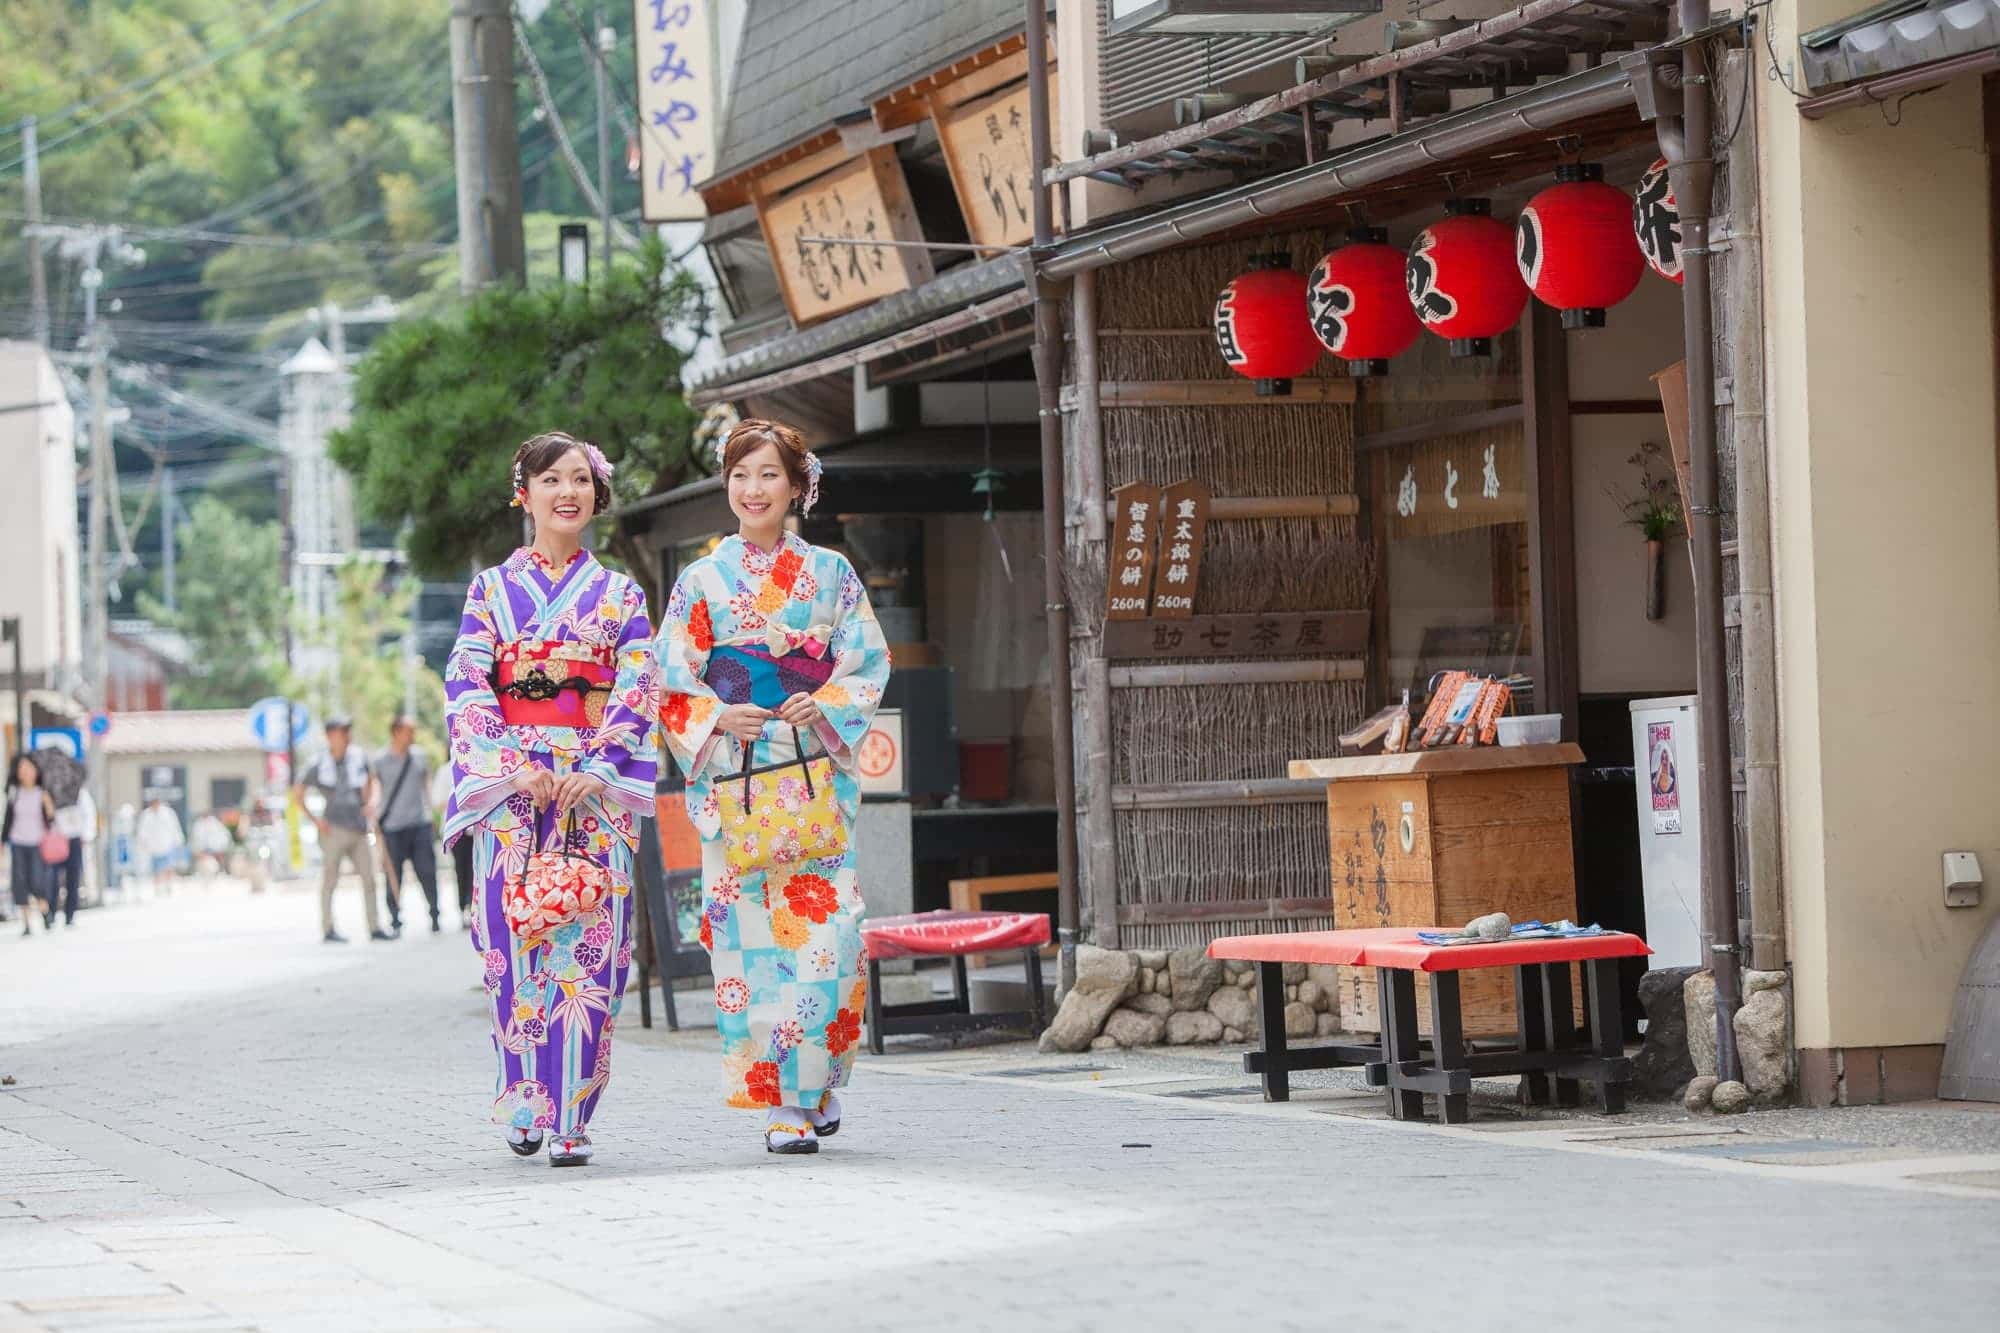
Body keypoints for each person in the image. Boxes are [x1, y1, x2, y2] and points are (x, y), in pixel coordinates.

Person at [657, 418, 891, 1156]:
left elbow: (866, 661)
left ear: (797, 487)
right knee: (754, 949)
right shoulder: (701, 581)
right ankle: (786, 1102)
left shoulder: (832, 575)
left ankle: (814, 1084)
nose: (752, 489)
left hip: (814, 775)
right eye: (740, 474)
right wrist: (719, 712)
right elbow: (666, 678)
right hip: (740, 776)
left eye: (768, 475)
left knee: (832, 938)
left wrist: (821, 703)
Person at [444, 431, 658, 1168]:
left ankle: (573, 1113)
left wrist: (600, 765)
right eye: (551, 479)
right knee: (511, 946)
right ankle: (524, 1097)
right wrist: (508, 764)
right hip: (514, 796)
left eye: (581, 480)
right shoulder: (489, 591)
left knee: (591, 951)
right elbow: (468, 680)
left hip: (592, 793)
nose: (568, 493)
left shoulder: (622, 594)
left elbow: (638, 681)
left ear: (597, 495)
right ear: (524, 493)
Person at [294, 716, 389, 944]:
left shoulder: (359, 757)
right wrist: (315, 820)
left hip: (358, 826)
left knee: (369, 878)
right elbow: (298, 793)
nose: (346, 736)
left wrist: (373, 802)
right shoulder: (317, 763)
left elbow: (374, 781)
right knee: (330, 879)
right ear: (329, 736)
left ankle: (374, 926)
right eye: (341, 731)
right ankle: (328, 928)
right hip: (332, 828)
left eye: (347, 731)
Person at [376, 714, 442, 933]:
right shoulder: (380, 760)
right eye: (408, 731)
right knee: (393, 874)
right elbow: (376, 789)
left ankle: (434, 914)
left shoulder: (419, 757)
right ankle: (395, 919)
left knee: (427, 871)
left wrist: (432, 815)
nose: (412, 736)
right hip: (392, 827)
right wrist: (374, 813)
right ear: (395, 732)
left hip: (419, 824)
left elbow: (427, 786)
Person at [4, 755, 57, 936]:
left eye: (28, 768)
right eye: (21, 769)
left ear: (35, 771)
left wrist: (49, 806)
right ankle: (26, 923)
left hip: (37, 843)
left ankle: (45, 912)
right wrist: (3, 843)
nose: (24, 772)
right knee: (20, 883)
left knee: (36, 881)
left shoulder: (42, 793)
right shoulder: (13, 792)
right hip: (17, 842)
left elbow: (51, 821)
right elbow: (8, 820)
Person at [432, 759, 474, 929]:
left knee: (475, 870)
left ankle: (472, 907)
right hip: (457, 828)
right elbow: (437, 800)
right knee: (461, 870)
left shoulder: (477, 764)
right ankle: (462, 907)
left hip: (475, 827)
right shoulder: (445, 771)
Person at [50, 784, 94, 926]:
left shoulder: (79, 791)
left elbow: (88, 813)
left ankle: (70, 914)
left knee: (73, 877)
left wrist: (86, 835)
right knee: (52, 877)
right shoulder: (51, 787)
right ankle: (51, 912)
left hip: (75, 837)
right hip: (56, 838)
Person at [135, 795, 186, 897]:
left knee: (168, 866)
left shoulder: (168, 813)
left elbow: (175, 826)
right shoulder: (146, 815)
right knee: (156, 869)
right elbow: (142, 831)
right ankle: (157, 887)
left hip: (167, 843)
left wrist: (179, 840)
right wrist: (142, 843)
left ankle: (168, 885)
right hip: (153, 846)